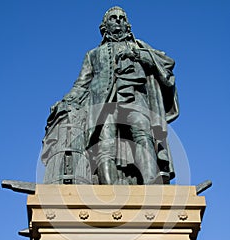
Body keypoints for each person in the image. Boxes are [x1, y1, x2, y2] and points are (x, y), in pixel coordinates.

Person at [41, 6, 179, 185]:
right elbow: (81, 84)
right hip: (104, 102)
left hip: (136, 98)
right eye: (113, 18)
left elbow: (167, 62)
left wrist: (137, 55)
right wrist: (66, 101)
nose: (119, 21)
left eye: (122, 18)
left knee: (143, 134)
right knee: (105, 144)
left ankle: (152, 185)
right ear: (104, 26)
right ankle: (109, 191)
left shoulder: (139, 46)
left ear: (128, 25)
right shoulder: (93, 55)